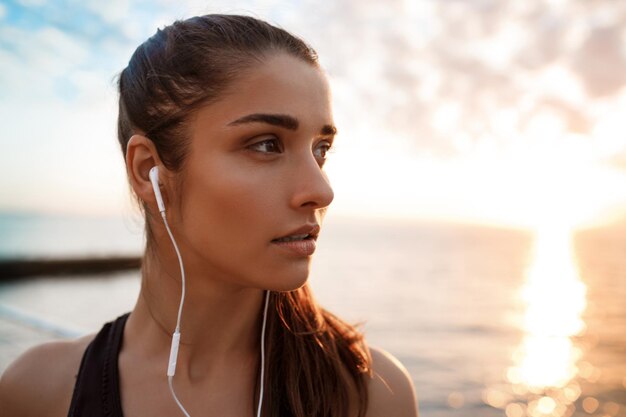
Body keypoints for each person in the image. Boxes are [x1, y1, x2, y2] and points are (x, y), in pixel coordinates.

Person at [0, 14, 418, 417]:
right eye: (267, 144)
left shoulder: (370, 392)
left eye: (320, 150)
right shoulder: (37, 393)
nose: (322, 191)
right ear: (149, 170)